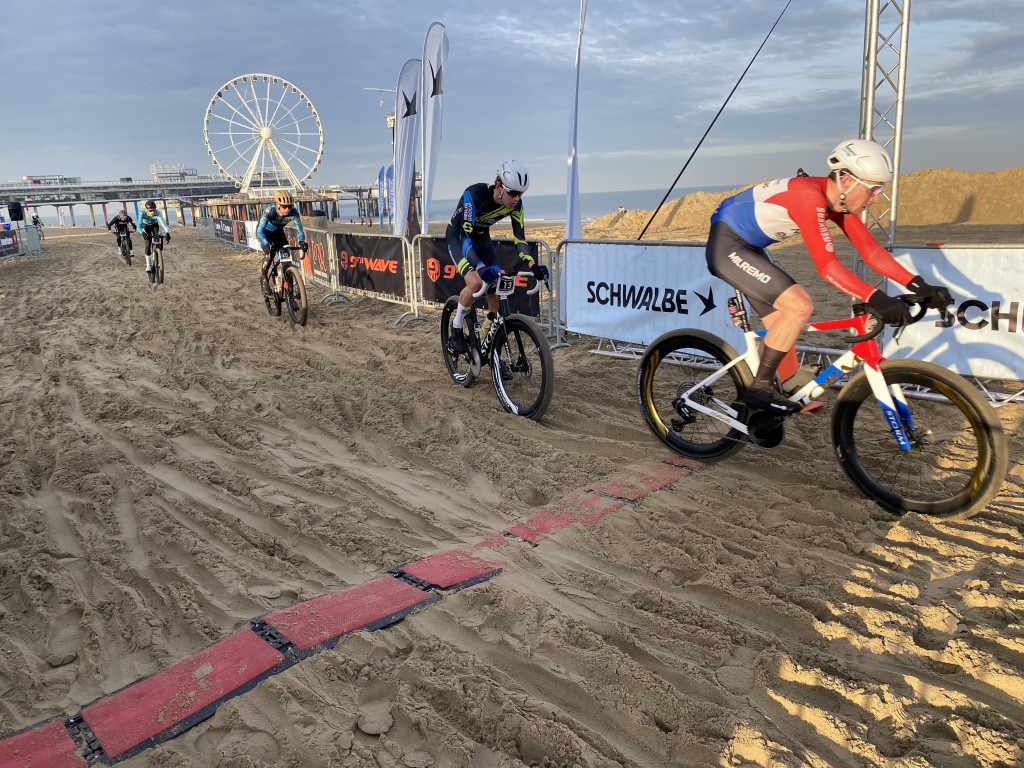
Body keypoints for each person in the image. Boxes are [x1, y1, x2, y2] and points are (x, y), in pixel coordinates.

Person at [705, 139, 952, 414]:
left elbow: (871, 252)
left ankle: (770, 397)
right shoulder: (809, 198)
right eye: (874, 189)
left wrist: (920, 286)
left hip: (751, 247)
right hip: (727, 246)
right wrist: (875, 297)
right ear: (846, 180)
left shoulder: (837, 200)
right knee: (799, 306)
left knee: (783, 325)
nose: (876, 198)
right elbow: (827, 267)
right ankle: (758, 390)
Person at [445, 159, 549, 357]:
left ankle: (486, 344)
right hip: (459, 238)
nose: (517, 198)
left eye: (521, 193)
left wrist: (533, 264)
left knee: (497, 296)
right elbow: (466, 236)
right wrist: (480, 266)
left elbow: (520, 239)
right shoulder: (474, 195)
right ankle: (456, 328)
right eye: (513, 193)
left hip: (482, 238)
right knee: (475, 283)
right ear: (499, 186)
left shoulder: (516, 205)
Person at [257, 190, 307, 289]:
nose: (287, 209)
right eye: (284, 206)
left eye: (289, 206)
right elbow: (259, 231)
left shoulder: (294, 212)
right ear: (278, 205)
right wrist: (265, 243)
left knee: (286, 258)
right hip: (265, 234)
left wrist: (301, 241)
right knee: (270, 254)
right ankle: (263, 276)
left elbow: (300, 229)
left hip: (278, 233)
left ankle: (289, 288)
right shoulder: (269, 211)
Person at [137, 200, 170, 276]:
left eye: (154, 210)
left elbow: (164, 224)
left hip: (154, 225)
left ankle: (158, 257)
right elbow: (138, 227)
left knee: (159, 239)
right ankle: (148, 265)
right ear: (146, 210)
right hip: (145, 226)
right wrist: (142, 233)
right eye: (150, 210)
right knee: (148, 242)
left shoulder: (157, 213)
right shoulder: (142, 213)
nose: (152, 212)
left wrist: (167, 233)